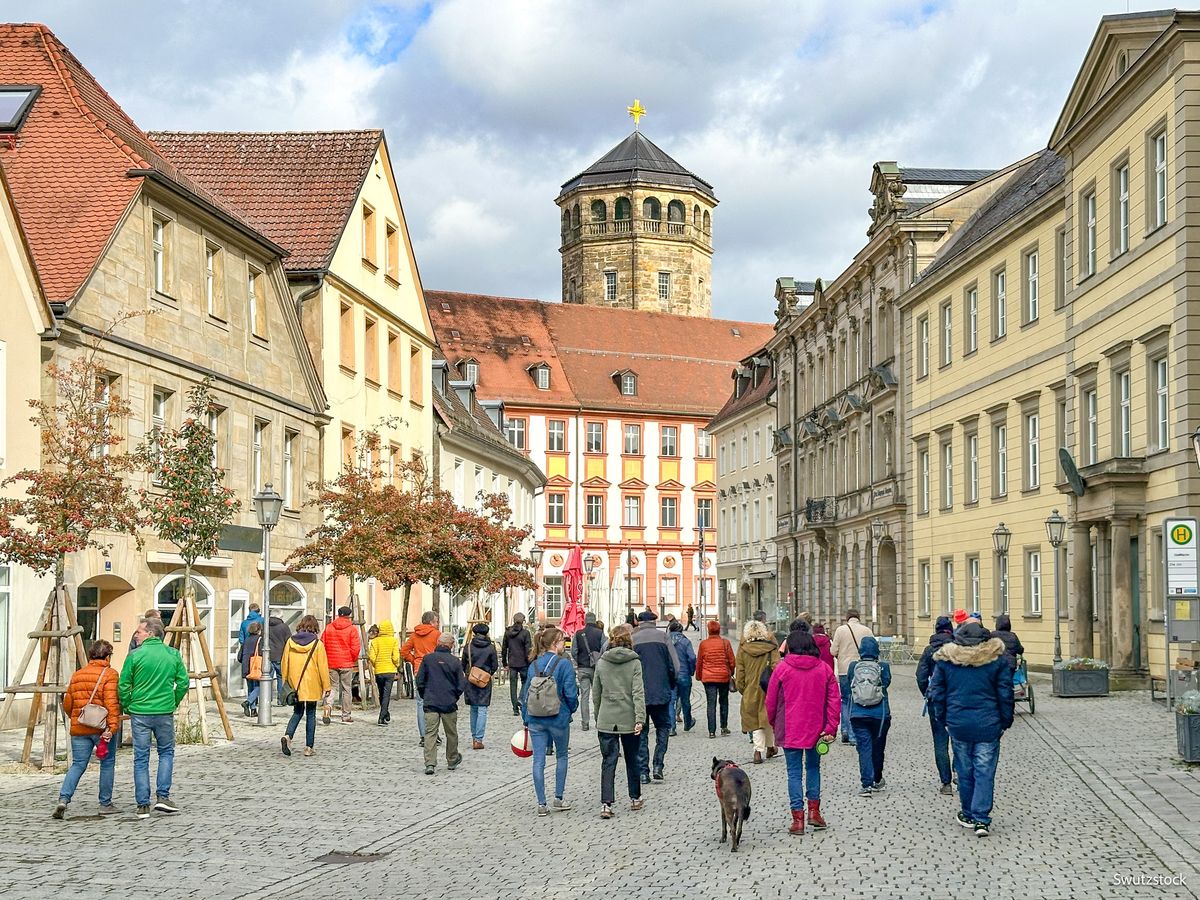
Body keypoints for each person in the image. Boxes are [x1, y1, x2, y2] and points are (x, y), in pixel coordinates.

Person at [927, 621, 1015, 838]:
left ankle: (967, 812)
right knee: (985, 771)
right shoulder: (996, 661)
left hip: (958, 723)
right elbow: (1005, 693)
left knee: (965, 769)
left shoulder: (947, 661)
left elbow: (937, 692)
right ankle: (982, 818)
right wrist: (1005, 721)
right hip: (988, 723)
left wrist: (942, 718)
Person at [766, 630, 840, 835]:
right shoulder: (824, 669)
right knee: (814, 768)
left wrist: (774, 723)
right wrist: (831, 727)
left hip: (790, 727)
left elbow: (770, 701)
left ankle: (797, 819)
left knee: (794, 773)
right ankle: (814, 812)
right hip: (817, 729)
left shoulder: (782, 669)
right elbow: (834, 701)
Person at [118, 617, 188, 819]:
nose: (136, 635)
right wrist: (173, 701)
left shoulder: (135, 656)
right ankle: (163, 796)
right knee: (166, 752)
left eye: (139, 631)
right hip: (164, 710)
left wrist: (128, 704)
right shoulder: (172, 654)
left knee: (141, 757)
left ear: (150, 633)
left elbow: (123, 685)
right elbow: (183, 683)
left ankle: (142, 804)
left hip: (140, 711)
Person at [54, 639, 122, 819]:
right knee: (107, 763)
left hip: (80, 727)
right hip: (102, 729)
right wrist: (112, 728)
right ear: (108, 656)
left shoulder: (78, 674)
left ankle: (63, 798)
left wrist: (75, 717)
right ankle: (105, 804)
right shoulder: (110, 674)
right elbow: (112, 704)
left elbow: (68, 703)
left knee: (78, 765)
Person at [521, 626, 578, 815]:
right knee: (561, 756)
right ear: (555, 643)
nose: (564, 644)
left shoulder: (534, 665)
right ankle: (558, 798)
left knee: (538, 760)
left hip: (536, 717)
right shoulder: (564, 664)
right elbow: (570, 693)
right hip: (558, 717)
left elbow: (526, 693)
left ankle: (541, 803)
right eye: (562, 641)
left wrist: (526, 717)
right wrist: (570, 710)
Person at [592, 626, 645, 818]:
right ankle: (635, 797)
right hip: (628, 717)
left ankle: (606, 804)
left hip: (607, 717)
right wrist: (640, 718)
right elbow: (638, 692)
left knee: (608, 761)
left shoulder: (602, 662)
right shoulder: (634, 663)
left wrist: (599, 716)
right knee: (632, 759)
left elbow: (596, 693)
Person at [631, 610, 678, 783]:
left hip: (640, 694)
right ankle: (658, 765)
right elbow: (675, 665)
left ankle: (643, 772)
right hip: (661, 692)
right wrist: (670, 683)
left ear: (639, 621)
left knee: (641, 731)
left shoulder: (633, 639)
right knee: (663, 727)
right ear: (654, 621)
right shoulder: (663, 637)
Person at [846, 635, 892, 796]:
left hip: (858, 714)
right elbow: (886, 683)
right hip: (880, 715)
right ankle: (877, 779)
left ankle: (866, 784)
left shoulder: (853, 666)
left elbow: (848, 686)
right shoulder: (883, 666)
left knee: (864, 748)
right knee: (878, 747)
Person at [281, 615, 331, 758]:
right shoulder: (317, 644)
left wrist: (286, 681)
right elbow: (322, 666)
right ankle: (309, 747)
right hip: (312, 683)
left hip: (295, 683)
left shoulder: (290, 642)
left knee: (297, 712)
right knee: (311, 714)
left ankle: (288, 736)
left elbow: (285, 663)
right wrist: (326, 685)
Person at [416, 632, 466, 775]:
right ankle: (452, 759)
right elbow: (461, 683)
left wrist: (425, 695)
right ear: (451, 645)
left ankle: (430, 763)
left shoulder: (427, 659)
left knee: (430, 733)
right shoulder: (455, 661)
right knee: (451, 733)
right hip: (448, 703)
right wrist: (454, 696)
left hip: (431, 702)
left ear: (438, 643)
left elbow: (420, 680)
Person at [916, 615, 956, 794]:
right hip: (956, 700)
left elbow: (920, 676)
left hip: (936, 700)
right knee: (959, 739)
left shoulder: (928, 650)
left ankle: (946, 783)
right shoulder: (958, 649)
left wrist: (927, 692)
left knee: (940, 741)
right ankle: (959, 773)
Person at [735, 620, 779, 764]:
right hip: (768, 687)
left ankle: (760, 750)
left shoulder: (743, 649)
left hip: (750, 688)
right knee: (766, 718)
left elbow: (740, 672)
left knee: (755, 720)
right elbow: (776, 667)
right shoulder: (771, 648)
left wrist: (742, 688)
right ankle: (765, 748)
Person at [830, 609, 873, 744]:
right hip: (862, 670)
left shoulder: (840, 630)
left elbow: (833, 651)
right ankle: (856, 733)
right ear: (858, 617)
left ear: (847, 618)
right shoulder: (866, 630)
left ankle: (845, 730)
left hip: (844, 670)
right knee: (859, 699)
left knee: (845, 700)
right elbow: (874, 649)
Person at [402, 611, 441, 744]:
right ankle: (433, 733)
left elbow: (404, 651)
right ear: (431, 622)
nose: (437, 624)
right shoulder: (436, 635)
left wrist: (414, 660)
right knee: (435, 703)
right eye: (436, 621)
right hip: (434, 670)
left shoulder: (414, 635)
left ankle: (423, 736)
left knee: (420, 704)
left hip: (419, 670)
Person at [320, 606, 361, 725]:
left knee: (332, 687)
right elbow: (355, 648)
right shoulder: (352, 629)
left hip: (331, 662)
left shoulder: (329, 627)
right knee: (346, 689)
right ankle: (346, 716)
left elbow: (322, 645)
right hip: (346, 662)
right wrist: (351, 660)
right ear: (349, 615)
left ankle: (328, 707)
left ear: (338, 614)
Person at [695, 619, 736, 738]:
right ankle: (723, 727)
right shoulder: (725, 642)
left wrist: (699, 676)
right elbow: (732, 661)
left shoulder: (703, 644)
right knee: (724, 702)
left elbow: (699, 662)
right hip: (723, 677)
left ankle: (711, 731)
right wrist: (730, 672)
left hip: (708, 678)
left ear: (708, 631)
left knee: (710, 704)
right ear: (719, 630)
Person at [461, 623, 498, 749]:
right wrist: (486, 675)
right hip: (485, 681)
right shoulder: (491, 648)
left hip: (470, 680)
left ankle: (474, 737)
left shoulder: (468, 647)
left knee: (473, 709)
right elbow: (494, 666)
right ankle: (478, 739)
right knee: (482, 709)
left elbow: (463, 664)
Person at [572, 613, 606, 732]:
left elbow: (573, 651)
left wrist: (579, 661)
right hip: (596, 668)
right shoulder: (600, 633)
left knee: (584, 697)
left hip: (583, 668)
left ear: (585, 621)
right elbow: (605, 649)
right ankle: (598, 720)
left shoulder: (578, 634)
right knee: (597, 696)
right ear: (595, 620)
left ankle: (585, 723)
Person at [368, 619, 400, 726]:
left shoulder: (375, 641)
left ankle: (386, 713)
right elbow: (396, 657)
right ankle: (382, 717)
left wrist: (376, 665)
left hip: (379, 671)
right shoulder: (394, 641)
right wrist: (396, 664)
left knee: (382, 693)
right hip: (390, 671)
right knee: (386, 694)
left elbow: (372, 657)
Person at [502, 612, 533, 717]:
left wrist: (504, 662)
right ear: (523, 621)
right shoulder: (525, 633)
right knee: (525, 682)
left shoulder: (507, 633)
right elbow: (528, 649)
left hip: (512, 662)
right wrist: (529, 661)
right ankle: (521, 698)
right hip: (523, 662)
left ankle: (515, 708)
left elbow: (504, 648)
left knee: (513, 686)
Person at [667, 621, 696, 734]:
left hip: (670, 675)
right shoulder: (685, 641)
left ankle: (671, 727)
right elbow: (692, 658)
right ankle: (687, 723)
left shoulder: (666, 642)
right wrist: (691, 670)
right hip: (684, 675)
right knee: (685, 700)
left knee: (671, 701)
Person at [237, 620, 265, 717]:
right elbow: (262, 654)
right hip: (256, 666)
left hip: (246, 666)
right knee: (259, 686)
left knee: (250, 688)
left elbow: (239, 656)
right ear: (259, 630)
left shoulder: (246, 640)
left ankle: (253, 710)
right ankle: (248, 702)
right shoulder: (260, 640)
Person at [267, 614, 291, 704]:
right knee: (281, 677)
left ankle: (267, 699)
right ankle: (281, 700)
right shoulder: (284, 627)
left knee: (267, 677)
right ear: (280, 616)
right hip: (280, 655)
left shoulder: (265, 625)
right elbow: (288, 640)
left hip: (268, 655)